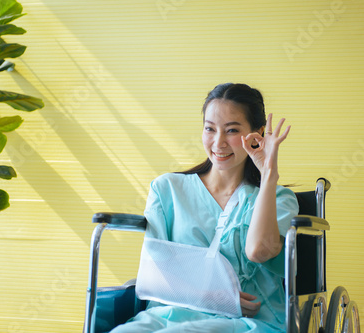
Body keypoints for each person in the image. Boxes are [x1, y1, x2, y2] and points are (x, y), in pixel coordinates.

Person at [110, 83, 299, 333]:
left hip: (249, 323)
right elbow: (156, 272)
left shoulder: (278, 198)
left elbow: (259, 251)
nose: (218, 143)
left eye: (231, 131)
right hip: (167, 316)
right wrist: (216, 298)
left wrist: (268, 175)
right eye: (210, 129)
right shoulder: (167, 189)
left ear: (257, 134)